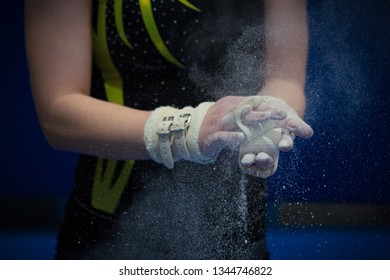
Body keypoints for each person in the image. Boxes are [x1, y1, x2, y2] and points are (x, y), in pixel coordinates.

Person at [25, 0, 313, 259]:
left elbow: (284, 79)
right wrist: (185, 130)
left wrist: (269, 118)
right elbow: (58, 112)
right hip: (106, 236)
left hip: (235, 236)